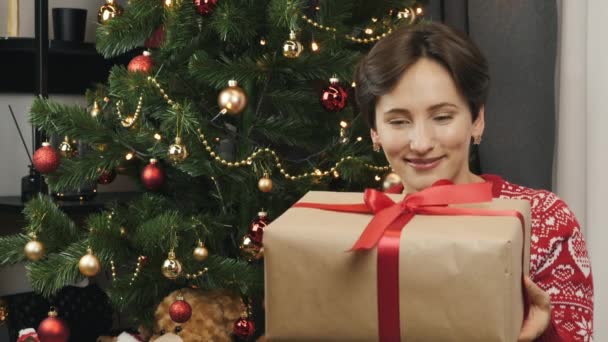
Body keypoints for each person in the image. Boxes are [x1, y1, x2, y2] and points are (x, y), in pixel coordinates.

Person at [354, 22, 593, 341]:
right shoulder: (361, 228)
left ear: (476, 119)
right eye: (398, 121)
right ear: (374, 132)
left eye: (442, 117)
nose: (421, 142)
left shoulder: (544, 219)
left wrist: (542, 335)